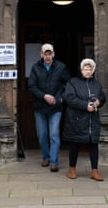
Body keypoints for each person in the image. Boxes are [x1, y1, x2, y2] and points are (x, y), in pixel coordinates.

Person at [28, 43, 71, 172]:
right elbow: (31, 86)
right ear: (41, 54)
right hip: (40, 107)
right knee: (42, 135)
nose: (47, 56)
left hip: (55, 107)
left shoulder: (61, 67)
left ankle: (54, 161)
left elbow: (69, 84)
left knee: (54, 134)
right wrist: (44, 96)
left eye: (50, 53)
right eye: (45, 53)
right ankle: (45, 157)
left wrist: (62, 98)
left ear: (53, 54)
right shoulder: (35, 68)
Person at [62, 58, 106, 181]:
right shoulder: (73, 82)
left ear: (93, 70)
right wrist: (85, 106)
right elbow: (69, 98)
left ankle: (94, 170)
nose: (87, 71)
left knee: (93, 144)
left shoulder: (96, 84)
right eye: (85, 69)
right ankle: (72, 168)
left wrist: (99, 101)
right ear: (81, 70)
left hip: (93, 119)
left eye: (90, 69)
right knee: (75, 143)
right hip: (77, 118)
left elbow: (102, 96)